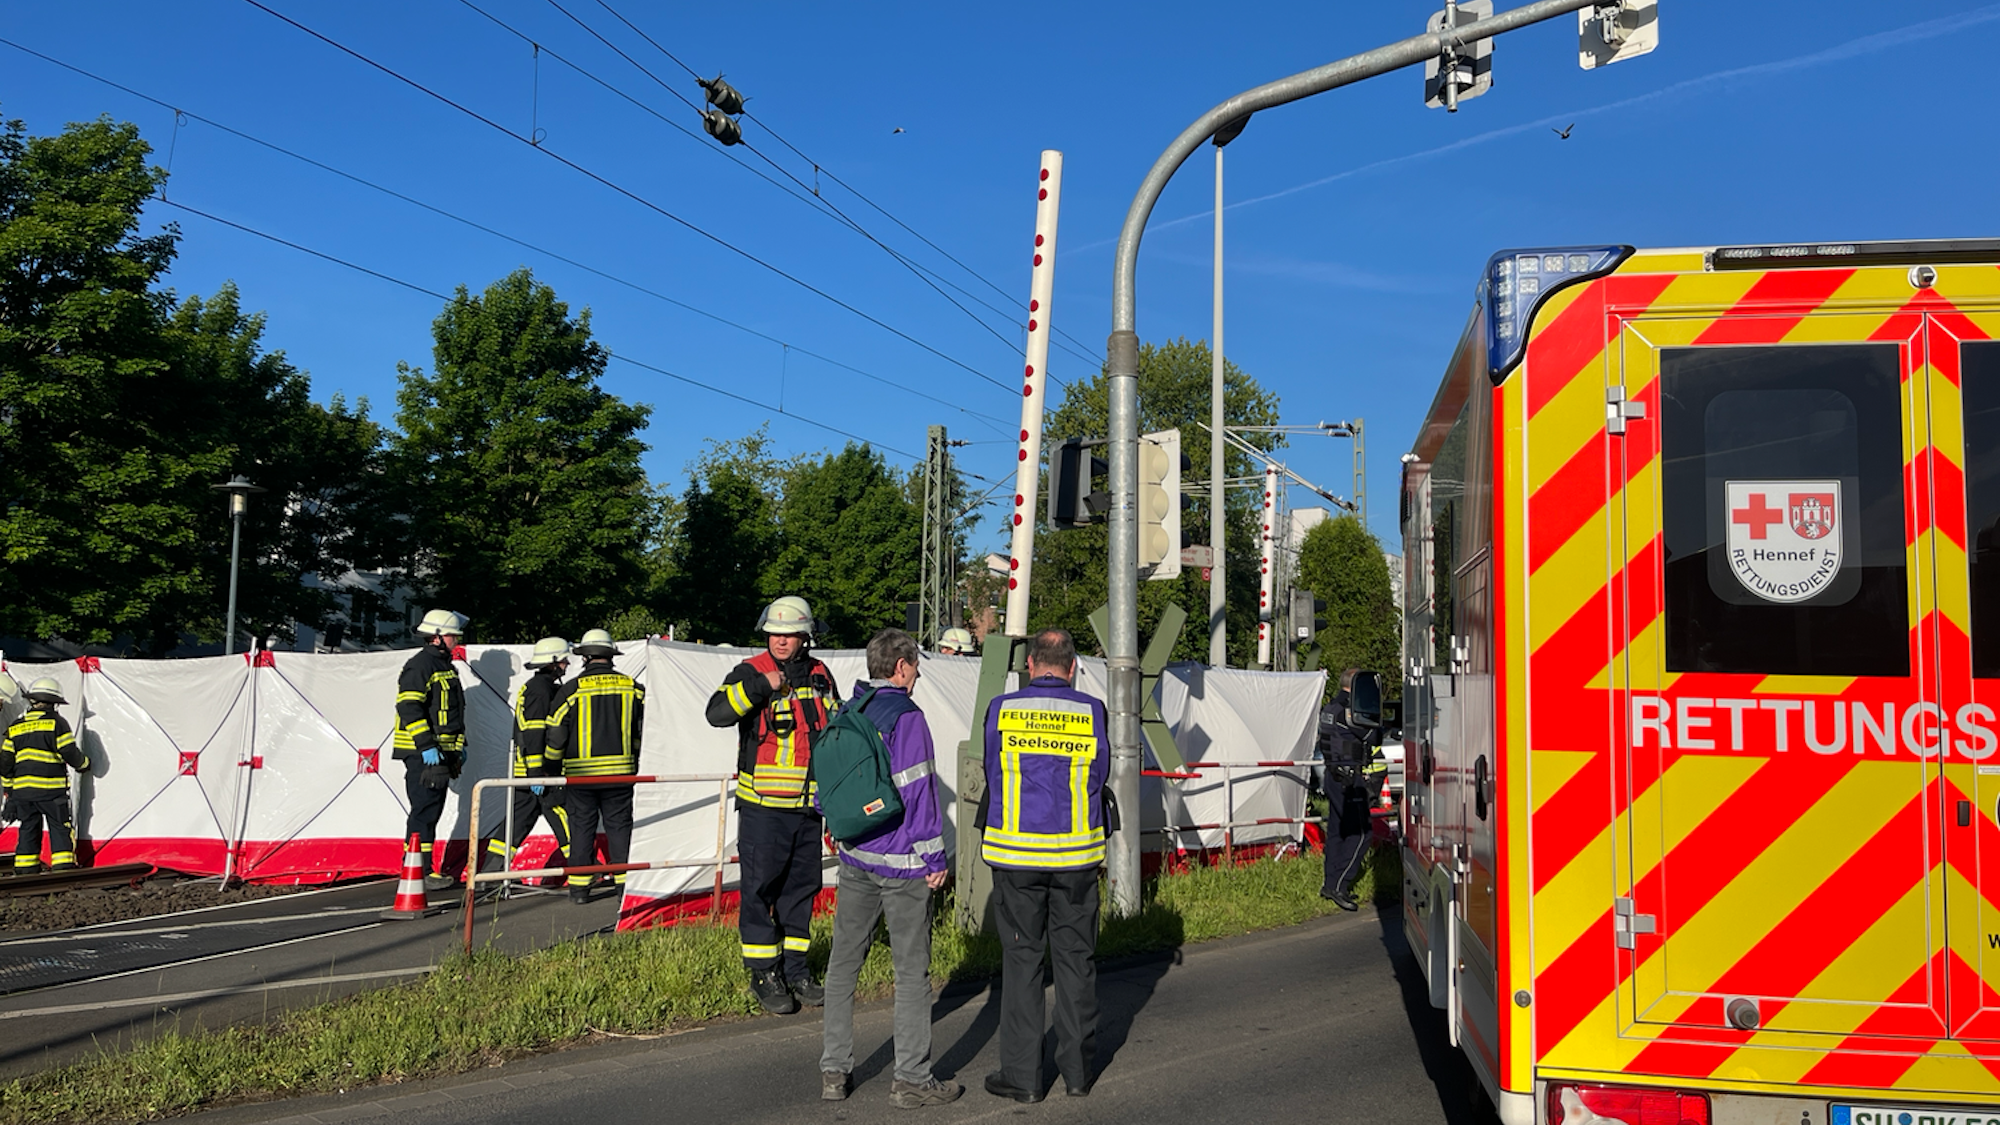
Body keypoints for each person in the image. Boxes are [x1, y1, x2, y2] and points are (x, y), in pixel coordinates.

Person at [818, 628, 961, 1109]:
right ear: (900, 666)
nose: (917, 674)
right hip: (902, 866)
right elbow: (919, 794)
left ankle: (834, 1072)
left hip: (856, 856)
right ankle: (912, 1080)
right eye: (916, 666)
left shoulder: (850, 709)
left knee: (843, 966)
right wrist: (935, 858)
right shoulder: (908, 718)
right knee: (911, 973)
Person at [978, 628, 1107, 1103]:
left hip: (1016, 857)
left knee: (1023, 963)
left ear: (1029, 664)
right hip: (1075, 859)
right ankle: (1076, 1073)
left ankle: (1024, 1078)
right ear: (1073, 667)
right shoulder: (1092, 711)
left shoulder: (1002, 709)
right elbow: (1101, 773)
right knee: (1076, 962)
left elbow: (992, 768)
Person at [705, 595, 840, 1015]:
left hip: (809, 808)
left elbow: (833, 737)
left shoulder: (820, 674)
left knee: (802, 891)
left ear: (806, 636)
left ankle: (797, 969)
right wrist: (762, 687)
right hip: (763, 808)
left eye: (790, 634)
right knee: (759, 891)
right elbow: (717, 713)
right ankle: (764, 973)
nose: (781, 641)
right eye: (774, 634)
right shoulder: (750, 671)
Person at [546, 629, 643, 904]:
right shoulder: (633, 688)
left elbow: (556, 734)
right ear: (611, 656)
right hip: (621, 775)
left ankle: (579, 891)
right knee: (620, 830)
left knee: (581, 830)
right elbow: (645, 729)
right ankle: (624, 889)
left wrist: (551, 767)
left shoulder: (571, 690)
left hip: (581, 778)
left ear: (585, 657)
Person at [475, 636, 574, 898]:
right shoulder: (541, 691)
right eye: (563, 660)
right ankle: (581, 866)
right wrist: (536, 773)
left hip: (527, 772)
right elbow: (533, 733)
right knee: (562, 812)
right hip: (539, 772)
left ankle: (489, 875)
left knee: (515, 824)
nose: (566, 664)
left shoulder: (538, 687)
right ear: (553, 663)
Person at [394, 608, 470, 890]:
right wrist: (426, 746)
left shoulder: (443, 665)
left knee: (431, 811)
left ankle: (422, 869)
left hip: (440, 752)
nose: (456, 641)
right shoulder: (421, 665)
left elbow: (450, 714)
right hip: (423, 754)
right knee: (423, 811)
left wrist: (459, 747)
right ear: (437, 637)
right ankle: (416, 870)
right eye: (453, 636)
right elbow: (408, 706)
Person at [1, 677, 89, 873]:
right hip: (51, 791)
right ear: (54, 703)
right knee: (59, 827)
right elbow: (69, 752)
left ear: (33, 701)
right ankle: (62, 868)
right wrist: (84, 764)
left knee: (28, 828)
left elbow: (5, 763)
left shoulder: (14, 727)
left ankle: (25, 871)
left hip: (23, 793)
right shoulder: (56, 723)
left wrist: (10, 790)